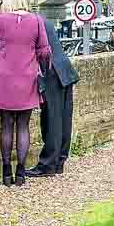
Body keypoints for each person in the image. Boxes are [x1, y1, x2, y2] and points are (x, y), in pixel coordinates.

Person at [0, 0, 51, 186]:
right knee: (23, 126)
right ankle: (21, 173)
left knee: (6, 125)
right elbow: (45, 50)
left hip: (4, 78)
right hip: (27, 78)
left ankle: (6, 173)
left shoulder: (1, 19)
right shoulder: (37, 21)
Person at [28, 16, 78, 178]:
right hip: (64, 68)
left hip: (51, 72)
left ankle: (48, 164)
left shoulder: (29, 23)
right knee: (64, 119)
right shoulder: (42, 19)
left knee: (52, 120)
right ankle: (59, 162)